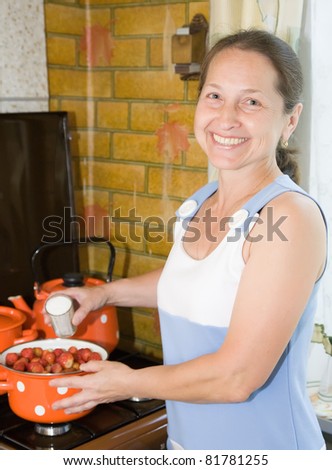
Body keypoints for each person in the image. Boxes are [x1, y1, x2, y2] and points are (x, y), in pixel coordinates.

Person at [49, 29, 327, 450]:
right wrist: (104, 295)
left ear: (290, 119)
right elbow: (195, 281)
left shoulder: (290, 217)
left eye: (251, 101)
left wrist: (126, 383)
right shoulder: (200, 204)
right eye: (215, 96)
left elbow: (238, 377)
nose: (227, 117)